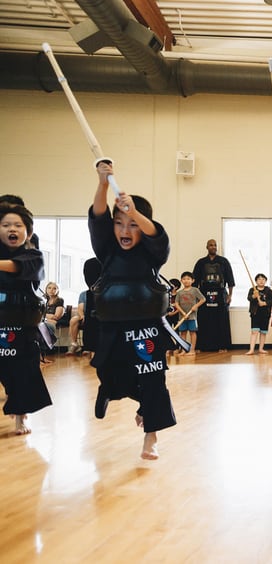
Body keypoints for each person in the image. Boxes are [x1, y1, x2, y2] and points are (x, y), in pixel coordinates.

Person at [88, 160, 175, 460]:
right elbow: (98, 216)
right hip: (112, 325)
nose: (125, 229)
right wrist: (102, 182)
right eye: (120, 223)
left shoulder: (153, 255)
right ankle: (110, 390)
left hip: (146, 326)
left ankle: (150, 436)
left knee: (152, 377)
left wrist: (133, 210)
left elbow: (158, 237)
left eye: (133, 224)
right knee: (109, 371)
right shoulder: (106, 249)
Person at [0, 202, 52, 435]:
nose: (12, 229)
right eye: (5, 225)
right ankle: (14, 399)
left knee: (24, 370)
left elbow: (15, 267)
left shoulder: (33, 255)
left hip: (23, 325)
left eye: (17, 225)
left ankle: (21, 415)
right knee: (6, 373)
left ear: (28, 232)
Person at [192, 239, 235, 352]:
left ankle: (222, 345)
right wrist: (194, 296)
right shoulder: (201, 262)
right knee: (203, 319)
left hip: (220, 293)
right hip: (204, 294)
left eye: (215, 245)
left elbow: (230, 279)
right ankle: (202, 346)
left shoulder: (223, 261)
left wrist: (230, 295)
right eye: (211, 245)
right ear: (207, 247)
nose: (213, 247)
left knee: (221, 320)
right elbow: (194, 281)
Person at [174, 271, 206, 356]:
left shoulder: (195, 290)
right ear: (181, 280)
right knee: (183, 333)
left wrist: (196, 306)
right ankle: (184, 350)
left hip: (192, 317)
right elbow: (176, 303)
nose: (186, 281)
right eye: (184, 279)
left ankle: (192, 350)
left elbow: (203, 299)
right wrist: (183, 313)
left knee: (192, 332)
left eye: (188, 279)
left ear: (193, 280)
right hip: (182, 317)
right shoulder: (180, 292)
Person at [246, 273, 272, 355]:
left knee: (263, 332)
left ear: (265, 281)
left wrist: (264, 303)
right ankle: (251, 350)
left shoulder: (268, 290)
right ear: (256, 281)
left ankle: (261, 349)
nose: (261, 281)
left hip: (265, 314)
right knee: (254, 332)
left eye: (263, 279)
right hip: (255, 314)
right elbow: (249, 298)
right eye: (259, 279)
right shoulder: (252, 289)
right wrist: (254, 296)